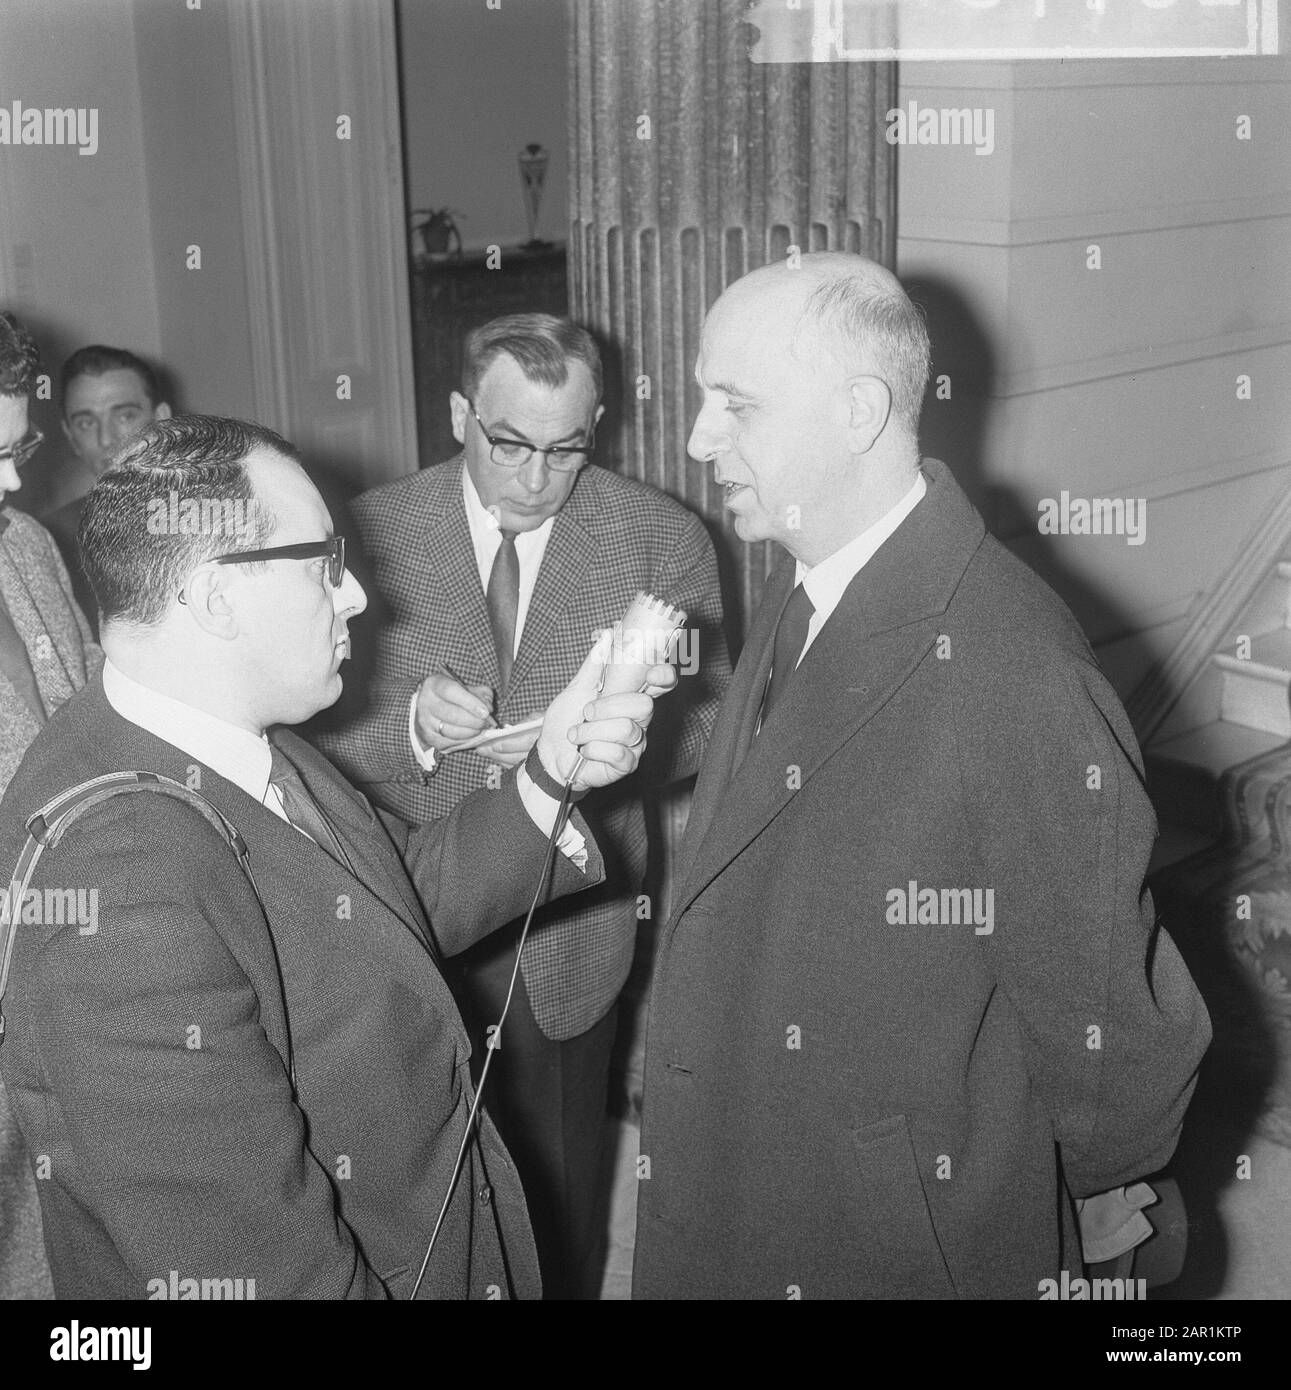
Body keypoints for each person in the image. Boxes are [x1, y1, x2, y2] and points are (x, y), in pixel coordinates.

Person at [632, 252, 1211, 1300]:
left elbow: (1112, 1033)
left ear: (859, 412)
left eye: (736, 406)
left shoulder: (1009, 668)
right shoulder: (813, 580)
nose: (696, 440)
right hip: (749, 1171)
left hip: (887, 1237)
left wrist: (1088, 1210)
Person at [0, 413, 673, 1300]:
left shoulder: (225, 732)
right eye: (324, 562)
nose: (355, 594)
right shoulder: (120, 889)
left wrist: (553, 771)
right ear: (215, 596)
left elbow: (392, 898)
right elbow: (259, 1274)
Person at [314, 313, 731, 1297]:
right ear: (461, 413)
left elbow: (709, 733)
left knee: (558, 1210)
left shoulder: (660, 540)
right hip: (404, 922)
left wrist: (609, 739)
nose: (536, 477)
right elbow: (305, 738)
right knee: (413, 1202)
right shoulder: (367, 533)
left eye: (566, 449)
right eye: (508, 444)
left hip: (563, 938)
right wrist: (411, 725)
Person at [0, 309, 102, 1301]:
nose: (11, 485)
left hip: (62, 996)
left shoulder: (23, 544)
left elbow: (84, 723)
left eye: (16, 449)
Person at [42, 345, 173, 631]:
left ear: (161, 419)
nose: (106, 439)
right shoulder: (50, 540)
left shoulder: (215, 513)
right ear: (70, 435)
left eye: (124, 416)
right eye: (87, 422)